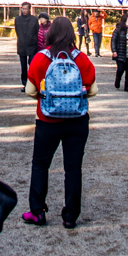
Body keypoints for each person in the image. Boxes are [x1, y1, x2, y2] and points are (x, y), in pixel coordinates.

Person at [22, 16, 96, 230]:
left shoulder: (41, 58)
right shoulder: (80, 58)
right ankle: (70, 215)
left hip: (47, 120)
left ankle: (37, 212)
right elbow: (92, 90)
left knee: (40, 165)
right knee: (73, 168)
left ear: (51, 33)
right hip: (77, 121)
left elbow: (30, 91)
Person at [14, 2, 39, 87]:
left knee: (32, 65)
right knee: (23, 67)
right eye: (23, 9)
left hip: (32, 45)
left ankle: (32, 83)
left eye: (26, 9)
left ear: (29, 9)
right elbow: (17, 31)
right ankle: (24, 83)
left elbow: (37, 31)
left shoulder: (34, 19)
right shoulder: (17, 19)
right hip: (21, 45)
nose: (24, 11)